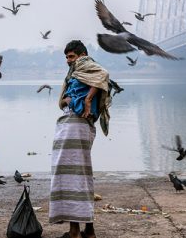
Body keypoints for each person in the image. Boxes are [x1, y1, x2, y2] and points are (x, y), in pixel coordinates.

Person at [49, 40, 111, 238]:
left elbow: (103, 75)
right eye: (67, 57)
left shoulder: (86, 65)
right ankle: (87, 230)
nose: (68, 61)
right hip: (70, 125)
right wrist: (68, 99)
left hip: (76, 126)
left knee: (72, 175)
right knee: (77, 175)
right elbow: (62, 101)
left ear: (82, 54)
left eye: (71, 56)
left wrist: (87, 99)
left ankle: (75, 231)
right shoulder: (75, 72)